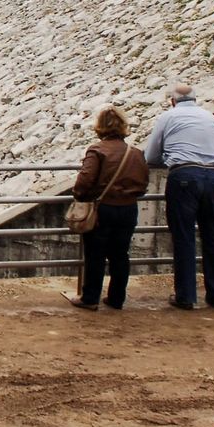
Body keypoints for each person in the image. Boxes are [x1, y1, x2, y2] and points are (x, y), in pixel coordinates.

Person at [144, 84, 214, 309]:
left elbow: (151, 155)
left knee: (184, 236)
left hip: (184, 175)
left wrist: (171, 157)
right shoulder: (210, 117)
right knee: (212, 233)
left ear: (173, 101)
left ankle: (186, 296)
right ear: (195, 98)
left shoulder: (168, 117)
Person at [68, 107, 149, 310]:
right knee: (120, 255)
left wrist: (80, 196)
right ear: (123, 126)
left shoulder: (97, 150)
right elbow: (143, 184)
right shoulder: (136, 153)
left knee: (95, 254)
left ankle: (90, 298)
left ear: (100, 127)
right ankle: (116, 298)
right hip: (128, 209)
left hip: (102, 209)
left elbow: (84, 181)